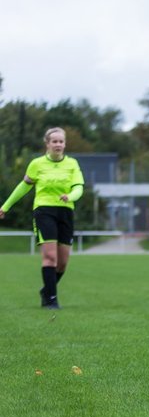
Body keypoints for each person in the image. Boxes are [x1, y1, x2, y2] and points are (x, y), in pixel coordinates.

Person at [0, 127, 85, 309]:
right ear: (47, 144)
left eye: (61, 141)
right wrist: (5, 206)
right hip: (44, 210)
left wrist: (70, 196)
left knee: (62, 263)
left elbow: (79, 188)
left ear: (64, 144)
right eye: (54, 141)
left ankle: (47, 289)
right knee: (50, 257)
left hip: (65, 211)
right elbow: (24, 186)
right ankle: (51, 299)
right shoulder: (37, 164)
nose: (58, 144)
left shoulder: (72, 164)